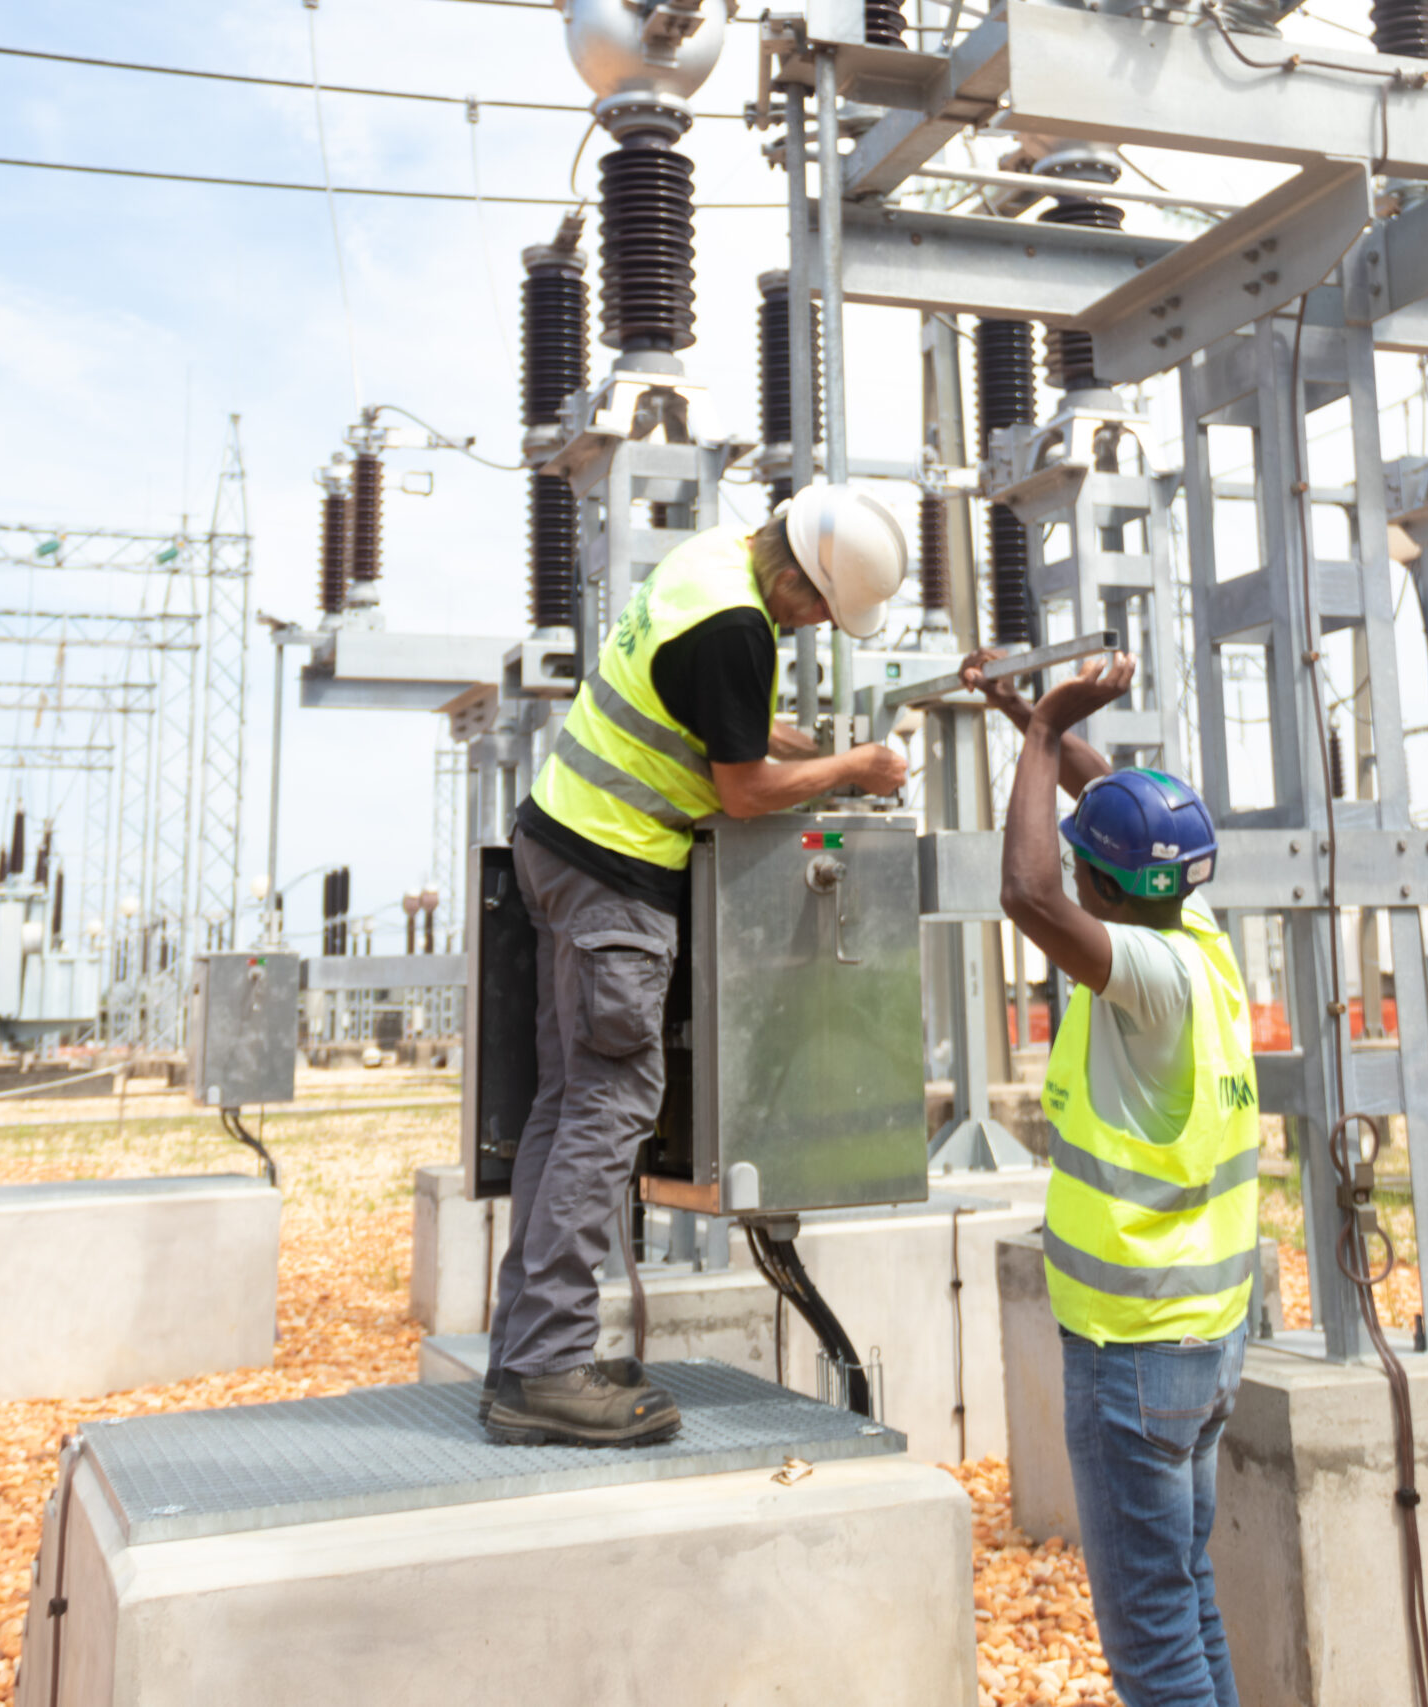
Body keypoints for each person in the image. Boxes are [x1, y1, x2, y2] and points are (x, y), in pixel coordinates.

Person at [485, 484, 911, 1448]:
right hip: (614, 871)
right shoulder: (739, 628)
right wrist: (851, 771)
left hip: (558, 841)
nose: (811, 627)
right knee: (608, 1110)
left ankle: (524, 1356)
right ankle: (549, 1369)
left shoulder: (713, 560)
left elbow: (702, 713)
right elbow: (747, 791)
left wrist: (783, 736)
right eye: (819, 609)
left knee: (567, 1106)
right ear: (800, 577)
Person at [965, 645, 1257, 1707]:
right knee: (1184, 1593)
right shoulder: (1199, 933)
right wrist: (1024, 714)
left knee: (1150, 1642)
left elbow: (1028, 893)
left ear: (1099, 882)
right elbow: (1112, 807)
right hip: (1206, 1332)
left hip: (1136, 1354)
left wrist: (1042, 734)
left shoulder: (1141, 976)